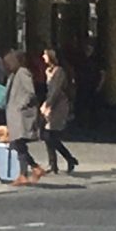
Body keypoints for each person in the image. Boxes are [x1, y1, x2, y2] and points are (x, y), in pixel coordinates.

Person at [0, 49, 47, 184]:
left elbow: (30, 92)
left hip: (20, 116)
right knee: (18, 144)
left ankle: (32, 169)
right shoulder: (14, 74)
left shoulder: (22, 73)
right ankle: (26, 172)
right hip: (15, 116)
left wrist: (20, 105)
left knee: (17, 143)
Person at [39, 46, 81, 176]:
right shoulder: (49, 71)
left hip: (59, 106)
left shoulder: (60, 72)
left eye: (45, 55)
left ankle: (66, 160)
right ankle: (55, 163)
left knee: (50, 135)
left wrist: (47, 105)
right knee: (48, 135)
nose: (43, 57)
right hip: (52, 105)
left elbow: (56, 91)